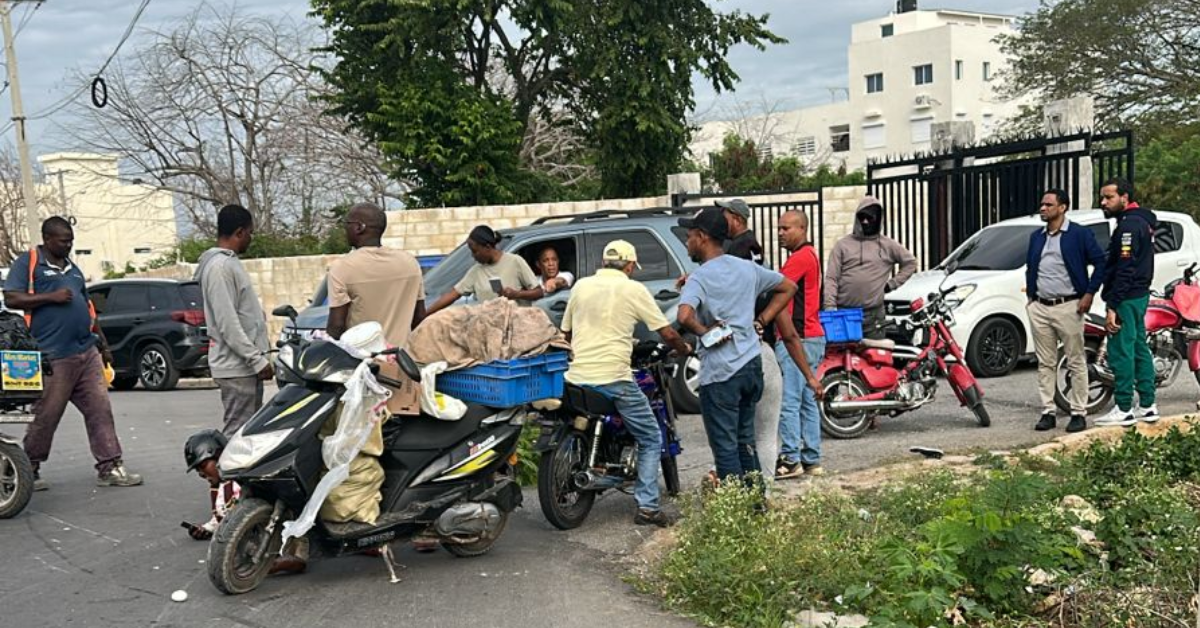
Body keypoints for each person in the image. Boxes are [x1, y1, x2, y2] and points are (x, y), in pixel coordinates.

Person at [2, 217, 142, 490]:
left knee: (100, 409)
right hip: (53, 355)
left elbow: (88, 308)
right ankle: (28, 468)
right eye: (64, 241)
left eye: (71, 241)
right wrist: (50, 298)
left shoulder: (73, 269)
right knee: (47, 415)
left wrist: (102, 345)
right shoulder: (29, 262)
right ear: (47, 239)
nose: (69, 245)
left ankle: (110, 466)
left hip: (85, 351)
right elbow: (11, 298)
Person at [561, 240, 693, 527]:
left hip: (574, 378)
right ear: (630, 266)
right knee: (650, 436)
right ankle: (647, 507)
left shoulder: (581, 286)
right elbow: (667, 332)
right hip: (613, 378)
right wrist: (684, 348)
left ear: (604, 262)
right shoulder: (633, 289)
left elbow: (566, 333)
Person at [675, 207, 802, 486]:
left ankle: (735, 511)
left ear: (703, 237)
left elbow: (683, 315)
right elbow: (789, 287)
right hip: (751, 366)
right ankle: (756, 504)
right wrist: (763, 319)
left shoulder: (699, 277)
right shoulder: (746, 268)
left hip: (721, 374)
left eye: (689, 236)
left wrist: (703, 331)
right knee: (747, 441)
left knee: (725, 448)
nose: (687, 243)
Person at [1026, 189, 1106, 434]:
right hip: (1040, 306)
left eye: (1048, 204)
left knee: (1075, 359)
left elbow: (1101, 262)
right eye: (1042, 204)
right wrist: (1031, 299)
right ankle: (1048, 411)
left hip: (1069, 305)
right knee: (1045, 362)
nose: (1043, 208)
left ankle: (1078, 412)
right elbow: (1033, 266)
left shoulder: (1078, 234)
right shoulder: (1037, 237)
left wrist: (1089, 293)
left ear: (1063, 207)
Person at [183, 429, 306, 574]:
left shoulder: (245, 479)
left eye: (203, 466)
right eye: (197, 470)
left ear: (218, 456)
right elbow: (223, 514)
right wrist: (206, 529)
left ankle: (292, 556)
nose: (201, 474)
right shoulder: (219, 488)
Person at [195, 205, 273, 436]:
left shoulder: (229, 263)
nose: (251, 238)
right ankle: (228, 472)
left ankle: (240, 472)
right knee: (237, 435)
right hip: (236, 367)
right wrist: (256, 360)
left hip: (244, 366)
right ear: (239, 232)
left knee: (248, 433)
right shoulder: (219, 268)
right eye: (250, 232)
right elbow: (227, 323)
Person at [1095, 178, 1159, 427]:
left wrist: (1113, 304)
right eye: (1102, 197)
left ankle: (1123, 408)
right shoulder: (1140, 222)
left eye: (1109, 197)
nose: (1103, 202)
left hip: (1127, 297)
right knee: (1139, 350)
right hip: (1138, 295)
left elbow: (1125, 267)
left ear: (1124, 197)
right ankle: (1147, 405)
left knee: (1121, 351)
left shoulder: (1129, 226)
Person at [774, 210, 828, 478]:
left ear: (802, 229)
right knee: (807, 400)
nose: (781, 233)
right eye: (779, 228)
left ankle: (790, 459)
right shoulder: (811, 255)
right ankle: (812, 459)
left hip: (798, 338)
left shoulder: (800, 258)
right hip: (813, 335)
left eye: (786, 228)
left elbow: (777, 290)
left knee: (790, 400)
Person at [326, 202, 425, 345]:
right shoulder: (410, 263)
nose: (345, 229)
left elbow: (337, 326)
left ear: (359, 227)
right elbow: (419, 318)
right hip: (401, 359)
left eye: (347, 223)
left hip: (362, 362)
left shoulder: (342, 267)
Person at [823, 196, 917, 339]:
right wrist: (830, 308)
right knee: (843, 358)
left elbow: (910, 263)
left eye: (870, 218)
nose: (865, 222)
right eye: (862, 217)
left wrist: (892, 284)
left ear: (879, 219)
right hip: (844, 314)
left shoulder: (887, 246)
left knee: (876, 357)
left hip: (873, 316)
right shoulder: (843, 245)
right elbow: (831, 278)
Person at [426, 225, 543, 315]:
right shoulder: (476, 271)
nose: (473, 256)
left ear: (487, 247)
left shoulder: (515, 261)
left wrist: (517, 294)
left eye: (475, 251)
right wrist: (425, 315)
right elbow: (452, 294)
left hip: (517, 328)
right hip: (489, 330)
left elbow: (538, 292)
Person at [718, 198, 764, 264]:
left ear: (737, 220)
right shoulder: (750, 240)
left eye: (724, 219)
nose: (722, 222)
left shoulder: (739, 247)